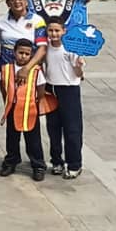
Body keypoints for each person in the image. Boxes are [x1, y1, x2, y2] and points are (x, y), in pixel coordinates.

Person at [0, 39, 48, 181]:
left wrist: (34, 102)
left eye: (27, 54)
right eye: (20, 53)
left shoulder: (36, 71)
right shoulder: (6, 69)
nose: (23, 56)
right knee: (12, 137)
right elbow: (3, 88)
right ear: (14, 52)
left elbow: (41, 89)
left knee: (33, 138)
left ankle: (38, 165)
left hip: (29, 107)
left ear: (31, 55)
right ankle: (11, 161)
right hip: (13, 107)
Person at [43, 17, 85, 179]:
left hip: (68, 90)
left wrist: (79, 67)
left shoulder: (70, 48)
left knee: (72, 129)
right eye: (51, 30)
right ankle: (56, 161)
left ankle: (74, 164)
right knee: (53, 127)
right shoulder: (45, 47)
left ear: (64, 31)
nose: (54, 34)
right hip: (50, 88)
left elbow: (79, 75)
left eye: (57, 31)